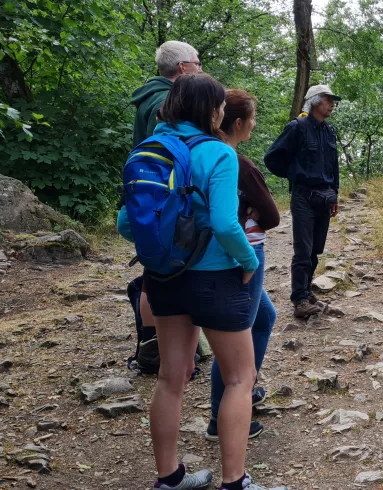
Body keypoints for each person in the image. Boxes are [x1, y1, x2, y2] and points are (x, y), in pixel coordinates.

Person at [117, 73, 286, 490]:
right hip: (216, 281)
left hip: (164, 278)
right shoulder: (219, 154)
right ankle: (235, 482)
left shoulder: (148, 150)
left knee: (171, 378)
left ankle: (170, 479)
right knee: (239, 379)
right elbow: (228, 225)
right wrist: (247, 261)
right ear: (213, 111)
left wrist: (169, 245)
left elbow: (125, 224)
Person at [206, 89, 281, 442]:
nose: (254, 124)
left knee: (264, 318)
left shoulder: (203, 153)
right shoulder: (239, 163)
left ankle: (241, 393)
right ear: (237, 123)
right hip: (245, 256)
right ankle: (223, 414)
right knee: (236, 341)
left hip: (223, 255)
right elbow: (272, 215)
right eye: (251, 118)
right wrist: (252, 212)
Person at [129, 40, 203, 364]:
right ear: (184, 68)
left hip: (146, 198)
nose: (201, 68)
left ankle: (154, 342)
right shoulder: (169, 100)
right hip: (168, 201)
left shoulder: (149, 96)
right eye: (198, 63)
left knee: (153, 271)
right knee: (165, 274)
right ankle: (160, 346)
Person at [264, 84, 341, 319]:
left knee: (316, 248)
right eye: (328, 100)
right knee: (303, 250)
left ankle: (307, 291)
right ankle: (299, 300)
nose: (332, 104)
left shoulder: (328, 131)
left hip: (325, 197)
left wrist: (335, 194)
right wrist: (295, 174)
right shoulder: (297, 127)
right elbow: (272, 158)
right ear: (315, 101)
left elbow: (333, 166)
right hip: (303, 197)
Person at [131, 40, 202, 146]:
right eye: (197, 64)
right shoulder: (168, 101)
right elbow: (158, 150)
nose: (200, 70)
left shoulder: (153, 94)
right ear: (182, 67)